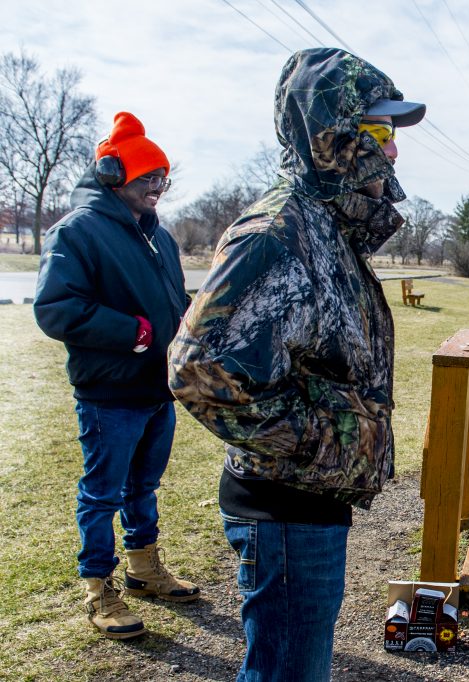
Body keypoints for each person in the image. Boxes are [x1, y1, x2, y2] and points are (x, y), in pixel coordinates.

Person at [168, 47, 425, 681]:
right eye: (380, 131)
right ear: (331, 134)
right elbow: (199, 371)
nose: (392, 151)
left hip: (308, 505)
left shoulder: (327, 227)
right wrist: (330, 438)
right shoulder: (277, 233)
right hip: (282, 512)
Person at [33, 112, 198, 640]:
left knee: (143, 486)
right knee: (102, 494)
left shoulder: (158, 236)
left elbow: (173, 302)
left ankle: (144, 569)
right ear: (111, 174)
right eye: (149, 177)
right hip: (110, 392)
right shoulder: (76, 232)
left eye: (162, 178)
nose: (158, 188)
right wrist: (138, 333)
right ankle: (98, 587)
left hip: (156, 389)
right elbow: (56, 308)